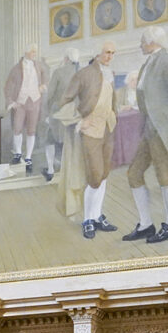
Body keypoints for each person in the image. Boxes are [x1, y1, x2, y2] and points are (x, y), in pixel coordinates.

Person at [124, 26, 168, 244]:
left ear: (153, 42)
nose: (140, 45)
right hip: (150, 129)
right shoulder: (147, 64)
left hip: (165, 128)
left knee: (165, 176)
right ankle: (146, 224)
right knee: (134, 173)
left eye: (143, 41)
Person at [60, 40, 120, 239]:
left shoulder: (110, 74)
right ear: (97, 54)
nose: (110, 56)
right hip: (91, 131)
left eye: (112, 53)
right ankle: (87, 219)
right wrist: (79, 120)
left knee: (103, 175)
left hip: (108, 128)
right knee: (94, 176)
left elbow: (112, 102)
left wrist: (114, 117)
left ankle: (97, 216)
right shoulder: (84, 74)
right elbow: (64, 101)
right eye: (106, 52)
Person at [37, 47, 81, 181]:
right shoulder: (80, 73)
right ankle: (71, 171)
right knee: (71, 141)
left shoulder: (58, 72)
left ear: (66, 58)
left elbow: (50, 95)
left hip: (58, 113)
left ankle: (50, 169)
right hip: (75, 114)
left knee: (50, 139)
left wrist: (46, 112)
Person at [4, 45, 48, 174]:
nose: (35, 53)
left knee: (31, 130)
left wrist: (43, 86)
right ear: (26, 52)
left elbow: (45, 76)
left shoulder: (39, 65)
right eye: (32, 51)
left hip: (34, 101)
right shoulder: (16, 68)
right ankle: (18, 153)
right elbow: (8, 86)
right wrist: (11, 101)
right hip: (20, 102)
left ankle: (28, 157)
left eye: (35, 51)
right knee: (17, 128)